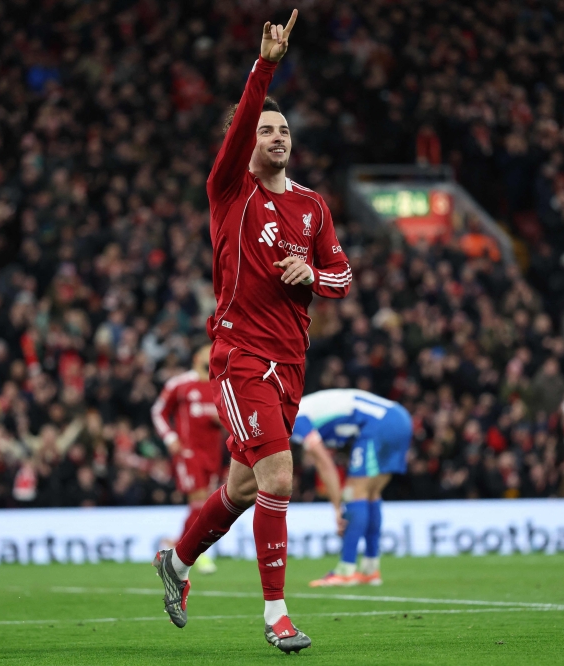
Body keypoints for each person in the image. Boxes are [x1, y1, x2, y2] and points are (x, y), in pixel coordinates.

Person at [153, 10, 351, 655]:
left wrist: (312, 275)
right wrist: (265, 67)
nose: (277, 135)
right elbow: (243, 123)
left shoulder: (313, 206)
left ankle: (177, 563)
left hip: (293, 361)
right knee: (279, 478)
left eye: (285, 130)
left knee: (242, 488)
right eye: (267, 128)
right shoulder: (229, 191)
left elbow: (344, 277)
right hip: (242, 355)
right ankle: (276, 615)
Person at [290, 390, 412, 587]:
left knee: (355, 492)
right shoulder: (304, 409)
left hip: (379, 424)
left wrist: (337, 508)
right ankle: (370, 568)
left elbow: (325, 463)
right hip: (399, 417)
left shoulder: (294, 418)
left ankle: (345, 570)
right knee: (371, 494)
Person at [151, 345, 223, 574]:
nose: (212, 355)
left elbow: (231, 418)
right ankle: (194, 554)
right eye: (208, 352)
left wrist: (221, 420)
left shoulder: (220, 384)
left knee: (206, 505)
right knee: (199, 502)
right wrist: (170, 437)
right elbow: (158, 411)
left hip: (213, 454)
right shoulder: (179, 384)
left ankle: (176, 548)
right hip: (189, 453)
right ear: (196, 357)